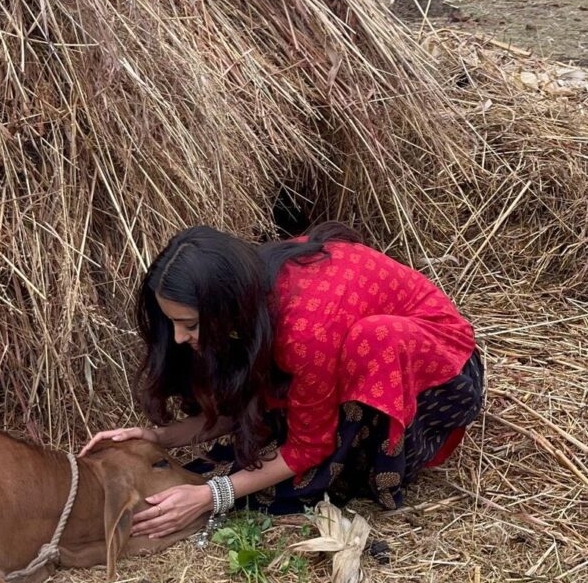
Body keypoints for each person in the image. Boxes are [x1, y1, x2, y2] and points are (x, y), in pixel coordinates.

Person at [80, 223, 483, 540]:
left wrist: (211, 496)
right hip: (342, 348)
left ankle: (378, 455)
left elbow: (308, 446)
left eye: (190, 324)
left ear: (227, 309)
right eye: (174, 324)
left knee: (308, 461)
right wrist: (159, 438)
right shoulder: (252, 293)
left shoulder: (305, 333)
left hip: (438, 376)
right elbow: (250, 395)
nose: (181, 338)